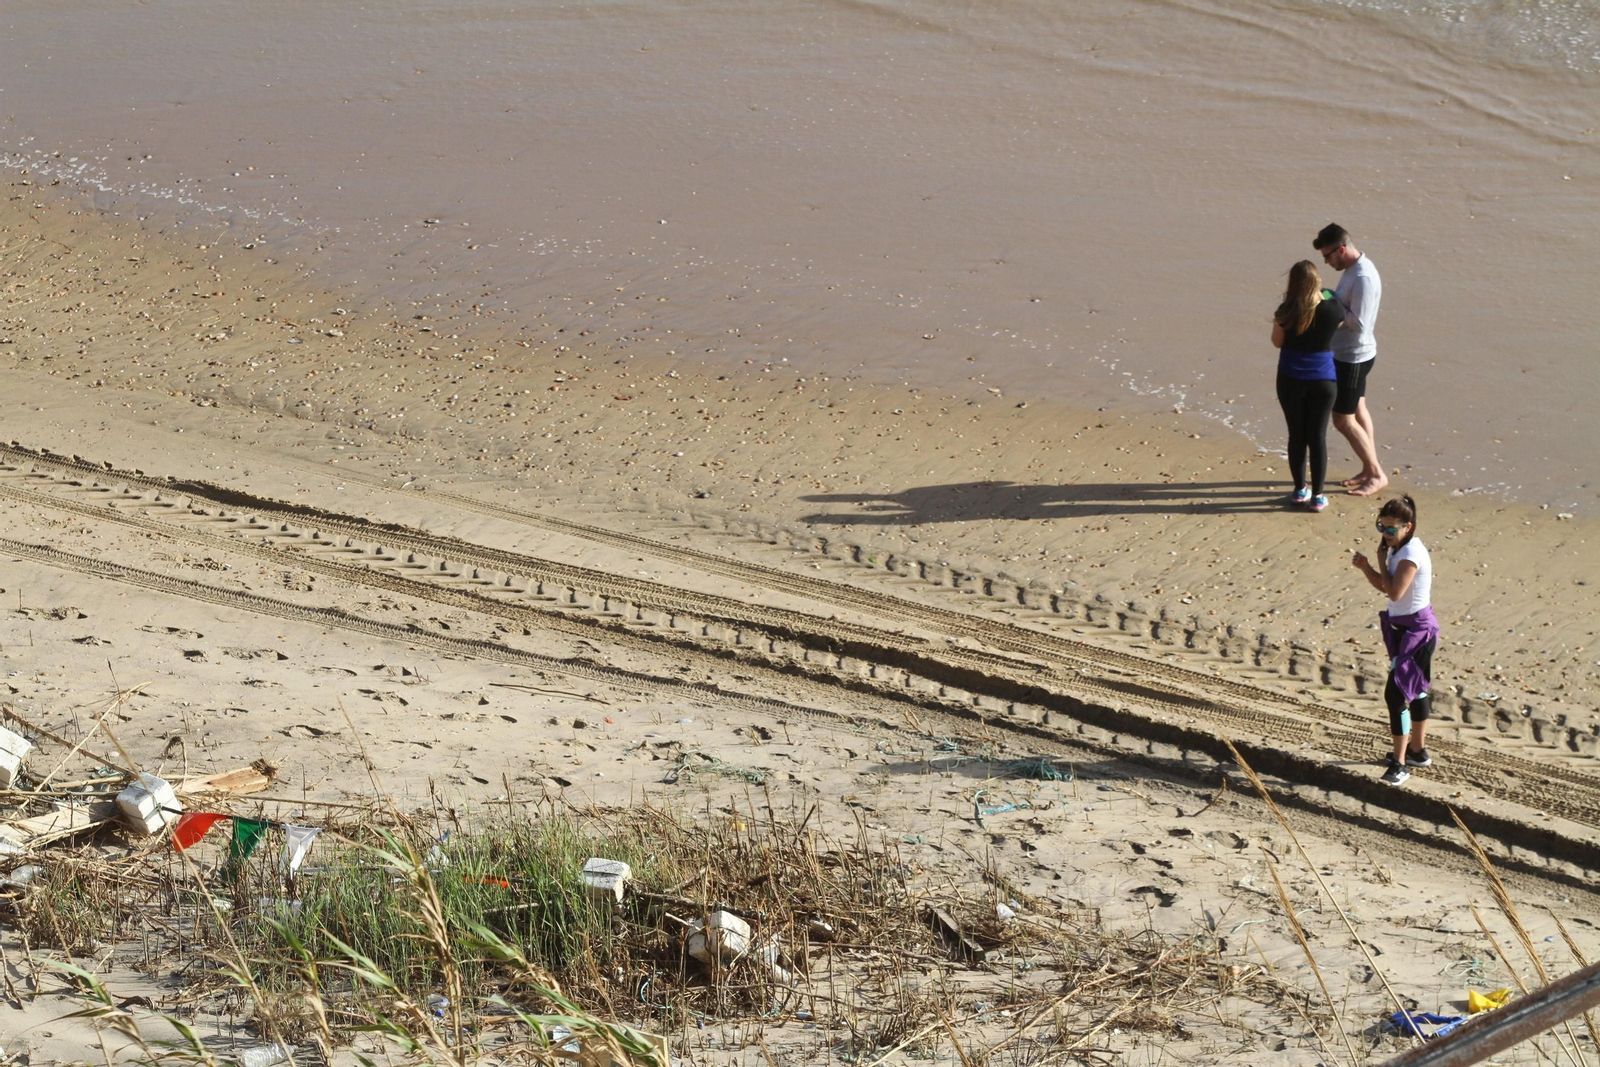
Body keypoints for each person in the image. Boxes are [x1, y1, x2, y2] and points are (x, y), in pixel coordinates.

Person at [1352, 495, 1437, 786]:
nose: (1385, 534)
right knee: (1417, 688)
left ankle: (1400, 764)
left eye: (1390, 529)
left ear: (1408, 526)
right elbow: (1386, 586)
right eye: (1381, 527)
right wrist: (1369, 567)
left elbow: (1395, 592)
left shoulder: (1410, 553)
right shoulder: (1397, 548)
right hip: (1403, 628)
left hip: (1417, 631)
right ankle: (1417, 751)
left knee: (1396, 694)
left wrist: (1377, 561)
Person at [1313, 223, 1386, 497]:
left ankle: (1377, 474)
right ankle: (1370, 468)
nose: (1327, 261)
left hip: (1353, 357)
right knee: (1357, 411)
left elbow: (1360, 323)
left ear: (1341, 249)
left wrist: (1331, 305)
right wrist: (1334, 298)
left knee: (1342, 420)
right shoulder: (1351, 270)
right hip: (1350, 354)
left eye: (1328, 256)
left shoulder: (1363, 276)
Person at [1271, 260, 1341, 511]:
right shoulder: (1333, 309)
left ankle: (1300, 489)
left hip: (1291, 379)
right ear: (1317, 281)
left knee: (1296, 435)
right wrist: (1326, 293)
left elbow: (1277, 343)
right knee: (1318, 437)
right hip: (1323, 381)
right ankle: (1318, 496)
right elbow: (1339, 321)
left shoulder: (1285, 311)